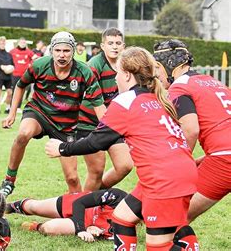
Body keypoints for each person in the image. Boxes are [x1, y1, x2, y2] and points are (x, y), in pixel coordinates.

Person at [45, 46, 199, 250]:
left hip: (162, 179)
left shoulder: (126, 101)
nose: (115, 77)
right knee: (122, 218)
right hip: (180, 172)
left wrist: (62, 148)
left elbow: (96, 141)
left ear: (126, 75)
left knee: (159, 246)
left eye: (117, 72)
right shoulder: (158, 97)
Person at [0, 31, 106, 197]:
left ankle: (75, 215)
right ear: (52, 51)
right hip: (39, 112)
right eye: (58, 51)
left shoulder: (84, 72)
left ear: (74, 51)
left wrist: (109, 129)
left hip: (66, 126)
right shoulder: (40, 65)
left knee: (72, 178)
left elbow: (99, 106)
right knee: (23, 134)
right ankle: (9, 181)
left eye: (66, 51)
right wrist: (12, 113)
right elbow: (20, 85)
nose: (62, 55)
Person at [153, 39, 231, 226]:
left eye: (157, 67)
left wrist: (180, 165)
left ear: (168, 64)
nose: (156, 74)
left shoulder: (180, 87)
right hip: (223, 154)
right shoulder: (212, 81)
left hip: (224, 159)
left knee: (176, 217)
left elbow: (191, 129)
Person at [77, 28, 133, 191]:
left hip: (111, 122)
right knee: (96, 170)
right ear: (103, 46)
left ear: (123, 46)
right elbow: (94, 101)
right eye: (110, 43)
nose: (114, 47)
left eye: (117, 43)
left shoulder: (127, 65)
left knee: (125, 165)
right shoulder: (95, 65)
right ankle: (84, 209)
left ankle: (91, 196)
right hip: (89, 123)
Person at [5, 188, 127, 242]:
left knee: (49, 228)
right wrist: (81, 230)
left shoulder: (131, 227)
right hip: (78, 204)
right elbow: (80, 203)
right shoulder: (117, 196)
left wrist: (94, 231)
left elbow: (111, 235)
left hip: (86, 223)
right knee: (34, 207)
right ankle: (8, 208)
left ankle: (35, 226)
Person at [0, 36, 14, 114]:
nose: (2, 44)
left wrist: (10, 68)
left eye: (3, 42)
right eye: (1, 42)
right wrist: (1, 67)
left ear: (5, 43)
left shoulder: (9, 55)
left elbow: (13, 65)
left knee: (10, 92)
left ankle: (8, 108)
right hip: (0, 76)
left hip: (8, 76)